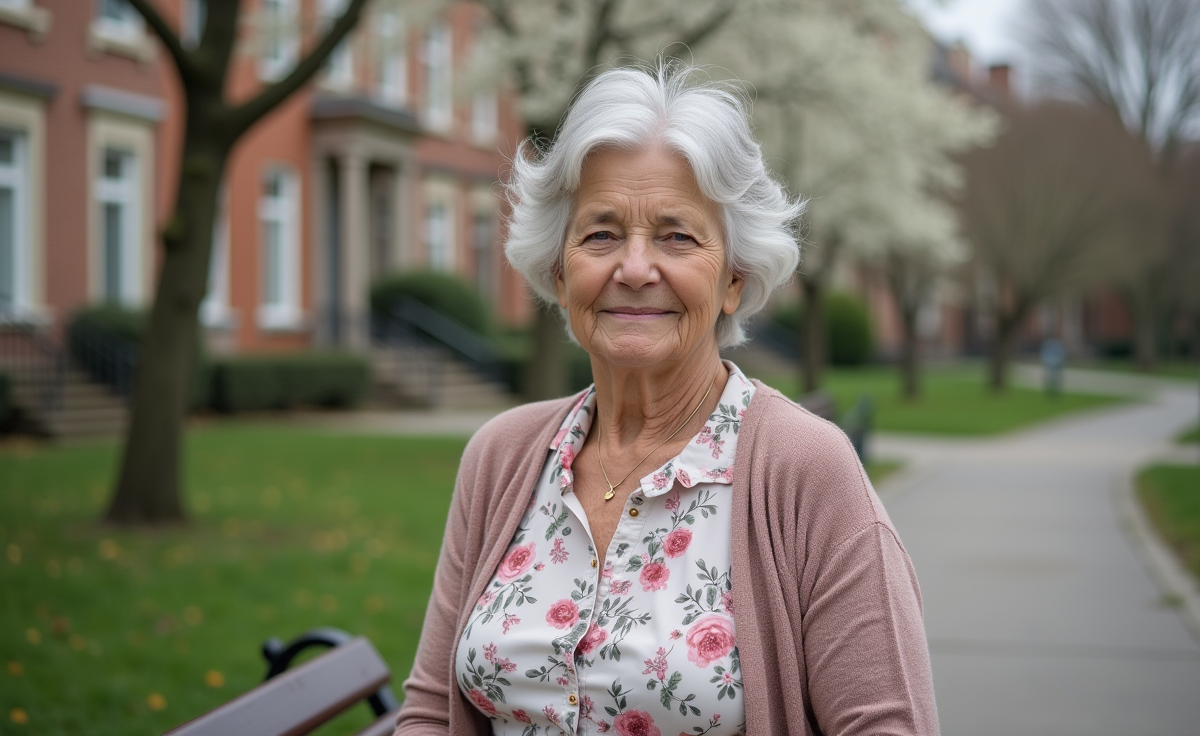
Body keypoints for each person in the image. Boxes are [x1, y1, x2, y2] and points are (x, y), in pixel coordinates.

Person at [393, 63, 938, 736]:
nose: (635, 268)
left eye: (677, 235)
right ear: (560, 275)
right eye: (601, 234)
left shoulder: (805, 469)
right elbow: (426, 712)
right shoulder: (502, 458)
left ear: (734, 280)